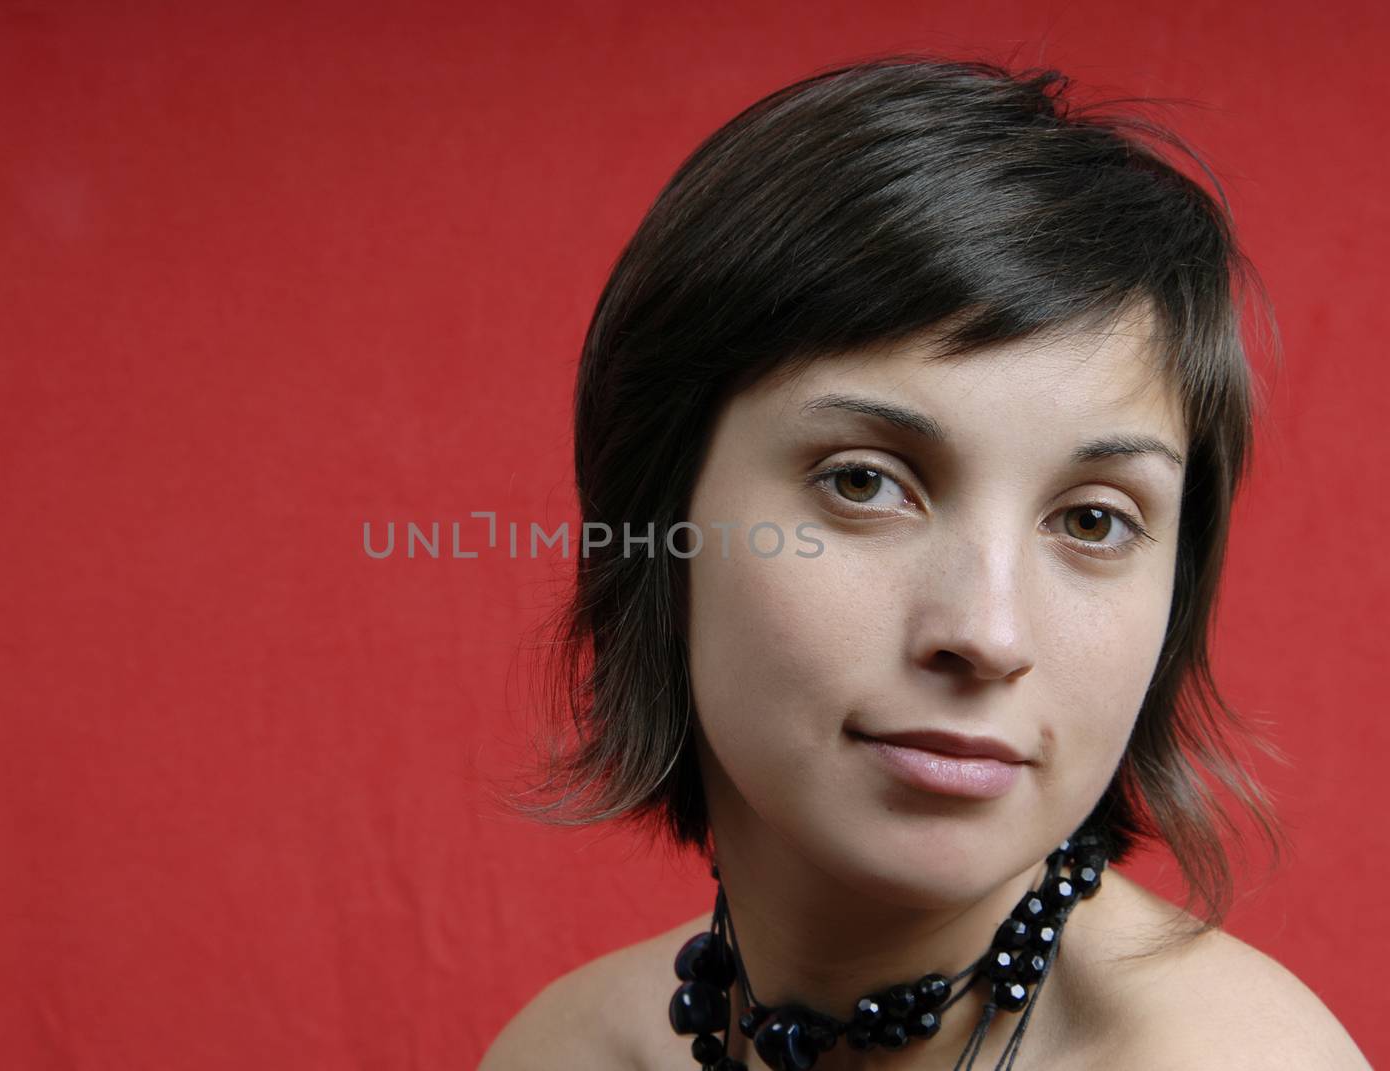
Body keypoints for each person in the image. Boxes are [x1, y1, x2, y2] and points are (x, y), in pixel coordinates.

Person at [478, 53, 1370, 1069]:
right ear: (658, 517)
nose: (985, 633)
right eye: (863, 483)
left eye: (1091, 521)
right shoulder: (561, 1051)